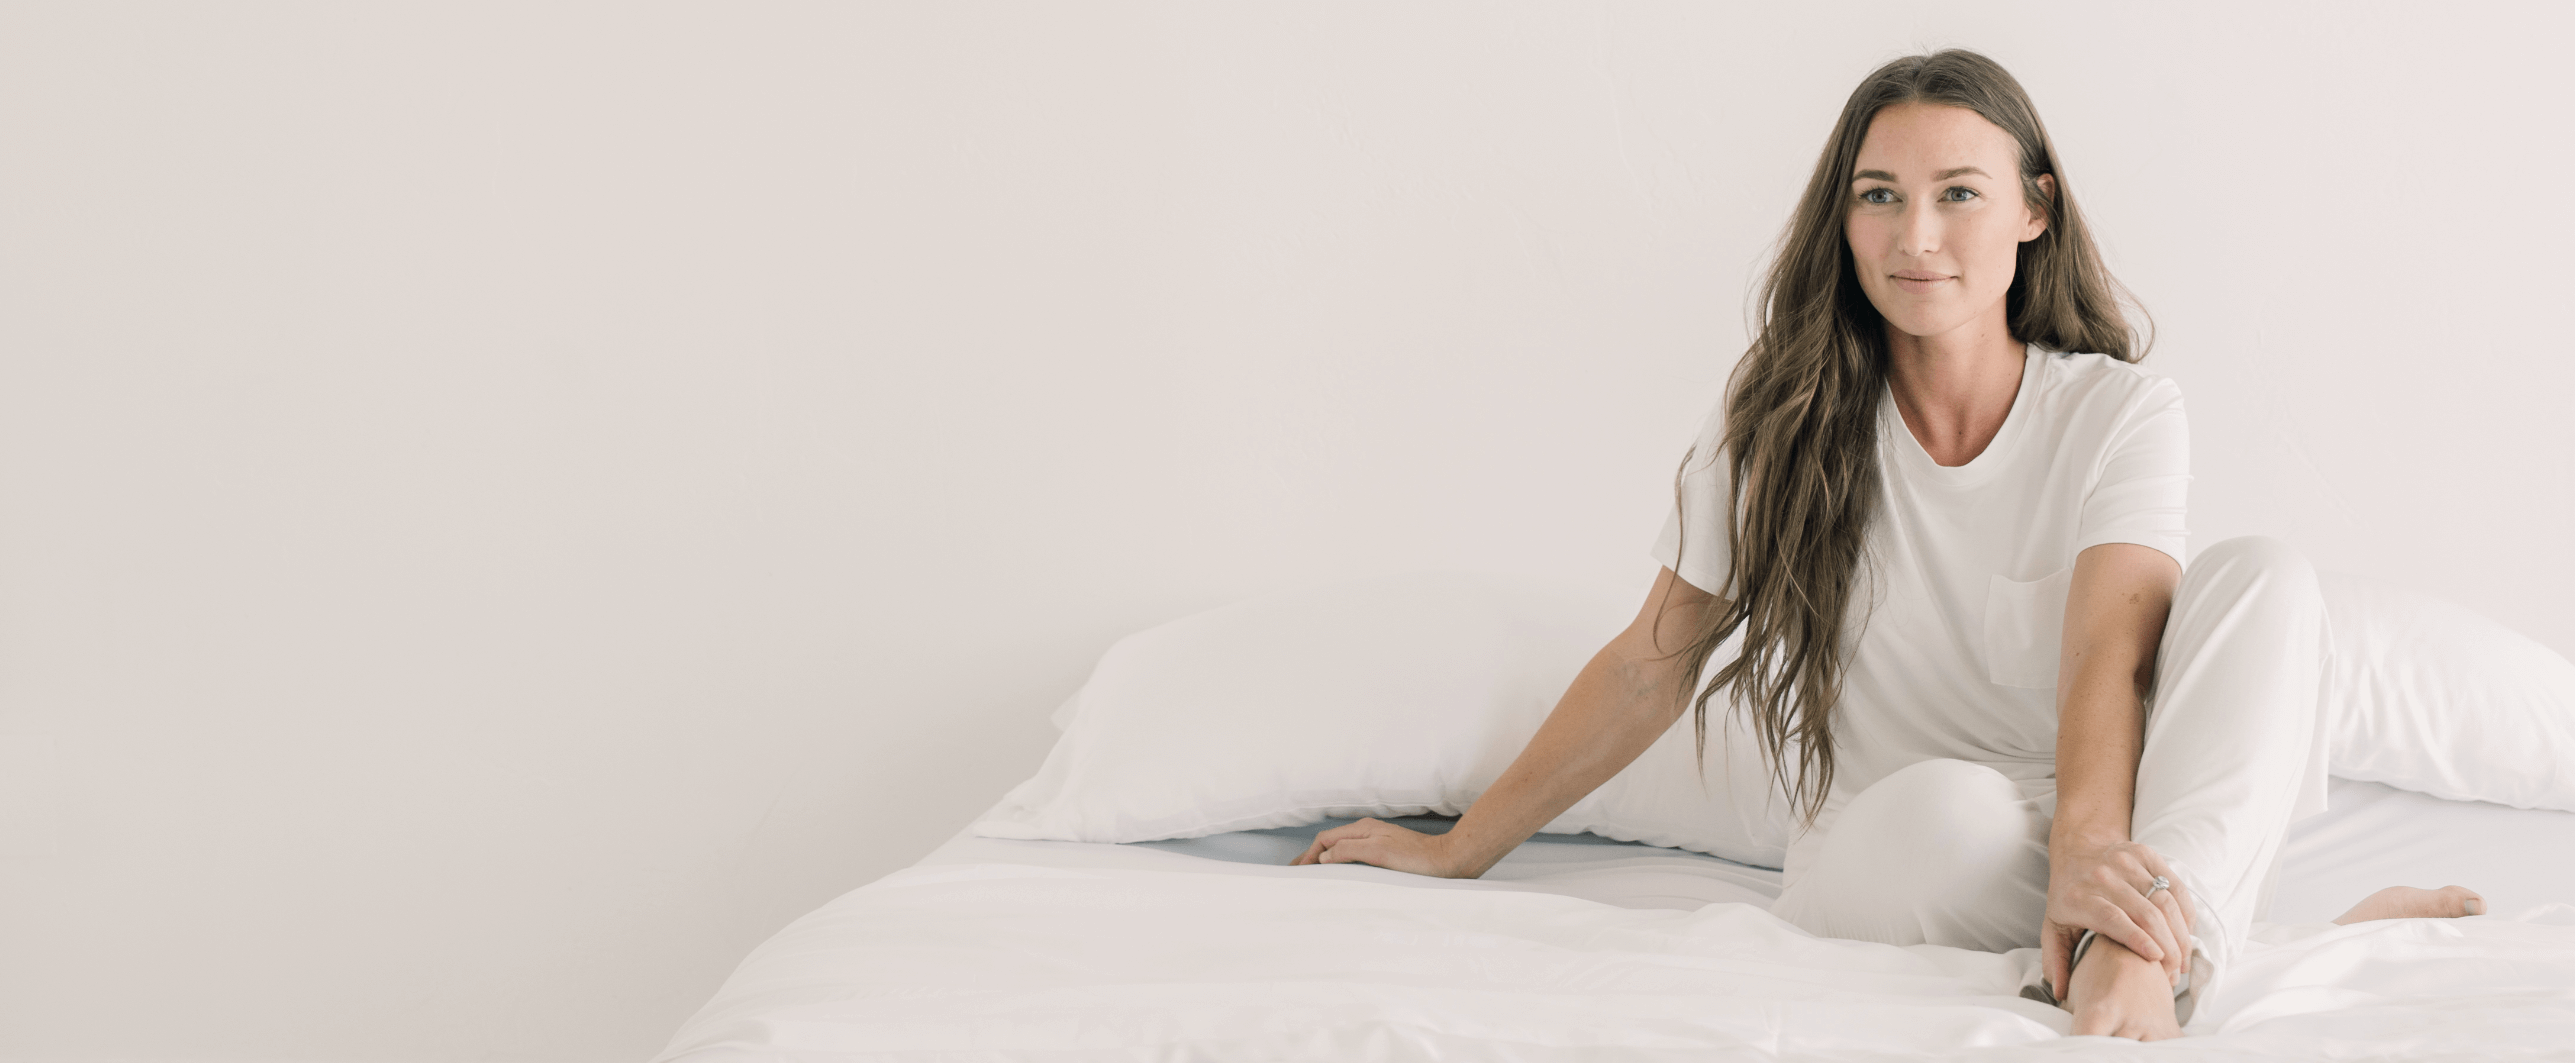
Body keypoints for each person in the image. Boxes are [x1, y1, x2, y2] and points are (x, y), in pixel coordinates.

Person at [1289, 49, 2481, 1042]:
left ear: (2033, 208)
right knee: (1957, 818)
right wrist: (1457, 853)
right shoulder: (1781, 419)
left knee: (2268, 578)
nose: (1916, 234)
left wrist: (2089, 849)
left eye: (1959, 192)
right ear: (1842, 217)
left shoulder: (2117, 411)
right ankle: (2232, 938)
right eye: (1877, 195)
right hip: (1898, 846)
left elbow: (2111, 657)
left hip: (2087, 824)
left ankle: (2127, 951)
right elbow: (1651, 663)